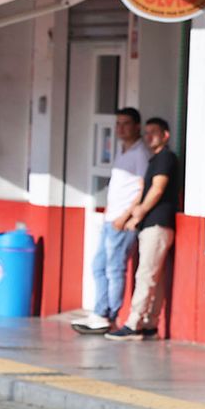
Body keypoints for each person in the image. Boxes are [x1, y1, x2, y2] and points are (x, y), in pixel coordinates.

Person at [72, 107, 149, 335]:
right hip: (110, 219)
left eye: (126, 124)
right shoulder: (122, 152)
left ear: (137, 126)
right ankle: (99, 311)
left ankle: (110, 315)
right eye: (118, 124)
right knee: (99, 266)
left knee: (115, 269)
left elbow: (143, 187)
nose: (120, 128)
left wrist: (127, 216)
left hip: (121, 222)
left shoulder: (140, 154)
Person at [109, 117, 179, 342]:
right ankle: (150, 323)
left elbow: (157, 189)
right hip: (152, 225)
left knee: (145, 275)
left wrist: (139, 211)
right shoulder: (154, 159)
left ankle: (133, 324)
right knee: (155, 278)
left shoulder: (165, 159)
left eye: (154, 132)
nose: (149, 137)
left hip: (158, 224)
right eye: (146, 133)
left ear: (165, 135)